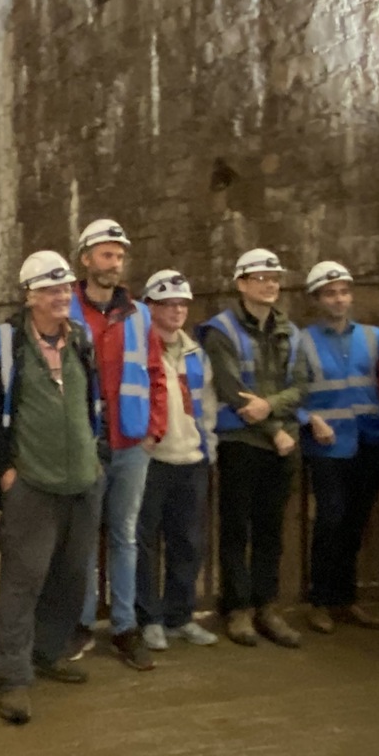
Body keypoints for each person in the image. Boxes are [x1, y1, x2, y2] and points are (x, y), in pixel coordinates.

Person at [0, 250, 109, 725]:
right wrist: (4, 470)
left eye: (65, 288)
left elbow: (92, 401)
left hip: (82, 481)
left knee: (71, 576)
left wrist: (96, 459)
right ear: (30, 295)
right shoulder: (5, 342)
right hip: (32, 483)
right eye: (51, 289)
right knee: (23, 580)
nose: (62, 297)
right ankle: (14, 677)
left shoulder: (81, 339)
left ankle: (48, 651)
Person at [66, 220, 168, 669]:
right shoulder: (66, 308)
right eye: (107, 254)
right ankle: (82, 622)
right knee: (85, 538)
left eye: (120, 256)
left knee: (125, 535)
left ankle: (125, 627)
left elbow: (156, 373)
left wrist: (154, 431)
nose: (115, 263)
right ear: (86, 259)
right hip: (84, 442)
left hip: (130, 441)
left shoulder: (139, 314)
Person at [198, 248, 310, 647]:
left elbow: (301, 385)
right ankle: (237, 607)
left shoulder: (291, 332)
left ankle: (267, 605)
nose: (269, 284)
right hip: (241, 442)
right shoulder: (221, 331)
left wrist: (271, 409)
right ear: (241, 283)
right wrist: (275, 430)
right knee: (235, 527)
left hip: (280, 444)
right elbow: (231, 389)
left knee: (270, 529)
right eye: (260, 278)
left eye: (274, 278)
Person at [296, 261, 379, 635]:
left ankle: (346, 599)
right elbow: (294, 391)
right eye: (329, 294)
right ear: (317, 299)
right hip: (328, 444)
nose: (338, 299)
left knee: (355, 523)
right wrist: (308, 418)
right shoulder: (303, 341)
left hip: (370, 440)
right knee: (331, 520)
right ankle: (320, 601)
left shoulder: (374, 337)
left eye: (343, 292)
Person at [133, 270, 221, 651]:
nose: (177, 310)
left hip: (191, 458)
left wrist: (208, 448)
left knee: (188, 542)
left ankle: (180, 616)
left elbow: (208, 405)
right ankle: (148, 618)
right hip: (151, 459)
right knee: (144, 543)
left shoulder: (195, 353)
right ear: (150, 307)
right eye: (168, 304)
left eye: (182, 304)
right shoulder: (138, 350)